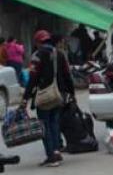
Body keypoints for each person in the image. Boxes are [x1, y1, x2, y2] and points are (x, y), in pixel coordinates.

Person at [21, 30, 74, 168]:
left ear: (38, 42)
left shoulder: (37, 56)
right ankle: (56, 150)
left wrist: (25, 98)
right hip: (58, 95)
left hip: (44, 96)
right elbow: (68, 76)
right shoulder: (60, 54)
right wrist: (71, 93)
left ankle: (51, 156)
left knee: (44, 125)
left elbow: (32, 79)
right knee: (54, 123)